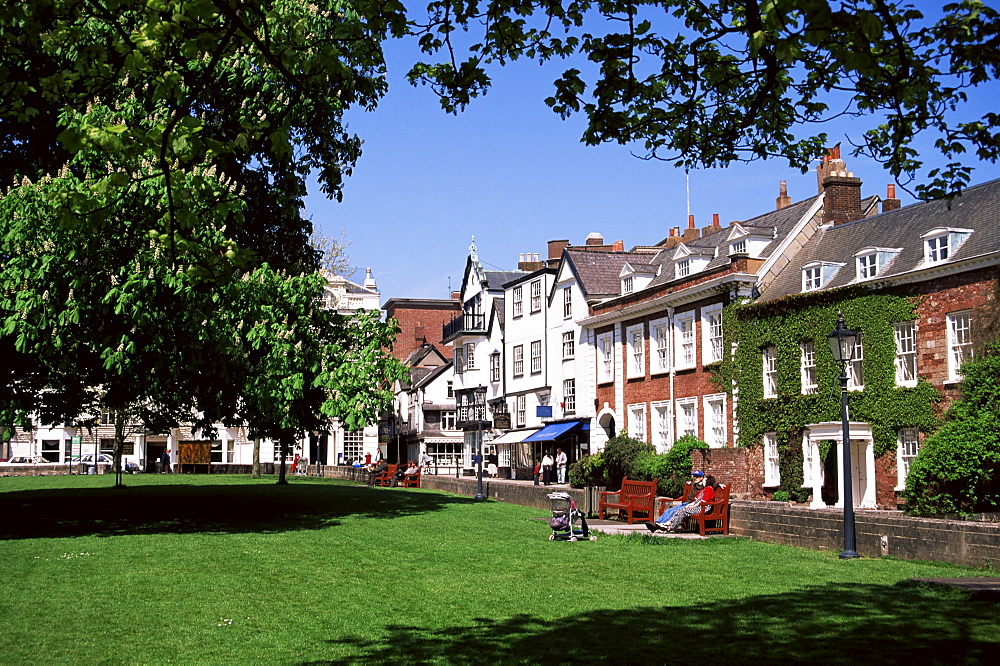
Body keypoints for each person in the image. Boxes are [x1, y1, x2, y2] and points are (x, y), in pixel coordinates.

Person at [646, 472, 717, 533]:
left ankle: (667, 525)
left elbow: (703, 499)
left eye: (697, 477)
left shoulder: (707, 488)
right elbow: (697, 500)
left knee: (677, 511)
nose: (695, 478)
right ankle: (659, 524)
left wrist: (718, 484)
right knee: (669, 510)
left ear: (703, 478)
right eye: (694, 476)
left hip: (701, 507)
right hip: (693, 504)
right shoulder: (696, 485)